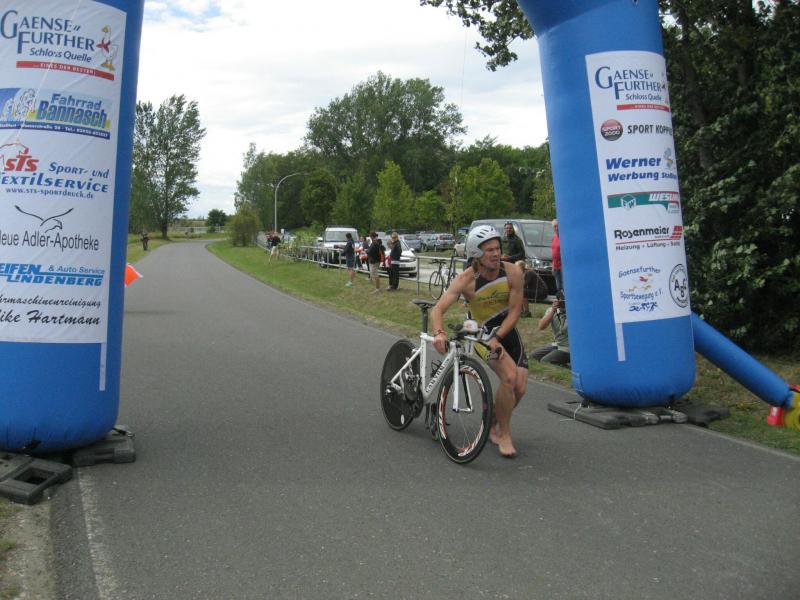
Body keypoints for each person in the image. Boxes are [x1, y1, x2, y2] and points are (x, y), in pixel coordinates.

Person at [430, 225, 528, 458]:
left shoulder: (513, 272)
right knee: (509, 377)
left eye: (497, 248)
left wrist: (499, 336)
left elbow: (515, 311)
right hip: (481, 334)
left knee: (520, 388)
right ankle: (504, 434)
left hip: (506, 332)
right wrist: (439, 333)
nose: (496, 253)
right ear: (476, 253)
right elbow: (438, 309)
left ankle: (492, 421)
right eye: (489, 250)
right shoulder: (466, 280)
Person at [529, 291, 570, 367]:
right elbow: (541, 326)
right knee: (532, 357)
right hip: (558, 344)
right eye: (562, 302)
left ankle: (566, 363)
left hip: (568, 348)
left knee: (545, 361)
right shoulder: (552, 310)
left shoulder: (575, 312)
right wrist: (553, 311)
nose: (564, 304)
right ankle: (561, 361)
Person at [551, 218, 562, 293]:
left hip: (562, 266)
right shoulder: (554, 238)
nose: (556, 228)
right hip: (555, 266)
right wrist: (553, 266)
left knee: (563, 286)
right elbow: (553, 253)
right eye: (555, 226)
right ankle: (560, 299)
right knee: (558, 287)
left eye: (557, 226)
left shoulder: (563, 238)